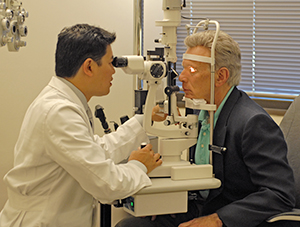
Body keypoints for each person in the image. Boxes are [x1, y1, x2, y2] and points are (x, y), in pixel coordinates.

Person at [116, 30, 297, 227]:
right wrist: (163, 202)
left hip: (230, 217)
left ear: (221, 76)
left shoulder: (252, 123)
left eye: (192, 70)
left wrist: (218, 220)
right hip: (198, 208)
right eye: (182, 69)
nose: (182, 77)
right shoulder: (200, 111)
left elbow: (279, 193)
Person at [0, 24, 162, 227]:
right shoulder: (59, 112)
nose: (114, 71)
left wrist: (144, 120)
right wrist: (139, 165)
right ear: (89, 67)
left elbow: (96, 151)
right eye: (110, 63)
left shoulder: (64, 103)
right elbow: (106, 183)